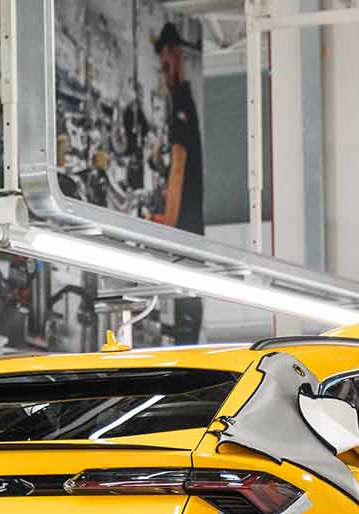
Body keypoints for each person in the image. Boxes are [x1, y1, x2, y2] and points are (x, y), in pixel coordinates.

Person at [150, 20, 204, 344]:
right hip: (189, 225)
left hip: (186, 225)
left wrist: (167, 222)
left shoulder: (182, 107)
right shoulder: (183, 103)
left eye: (166, 61)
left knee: (188, 285)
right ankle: (186, 330)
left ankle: (186, 331)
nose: (164, 69)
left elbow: (179, 171)